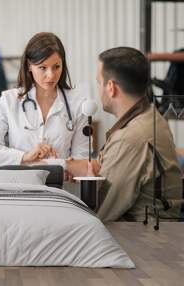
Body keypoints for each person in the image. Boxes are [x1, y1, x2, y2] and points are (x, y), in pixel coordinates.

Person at [66, 47, 183, 221]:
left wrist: (88, 186)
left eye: (99, 82)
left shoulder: (131, 138)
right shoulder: (150, 117)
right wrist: (66, 166)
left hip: (142, 239)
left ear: (111, 87)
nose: (99, 89)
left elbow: (100, 214)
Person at [0, 32, 89, 166]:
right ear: (29, 65)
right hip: (20, 184)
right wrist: (24, 156)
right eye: (42, 67)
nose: (51, 75)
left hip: (60, 185)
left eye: (56, 67)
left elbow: (82, 157)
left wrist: (62, 165)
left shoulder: (78, 104)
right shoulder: (9, 100)